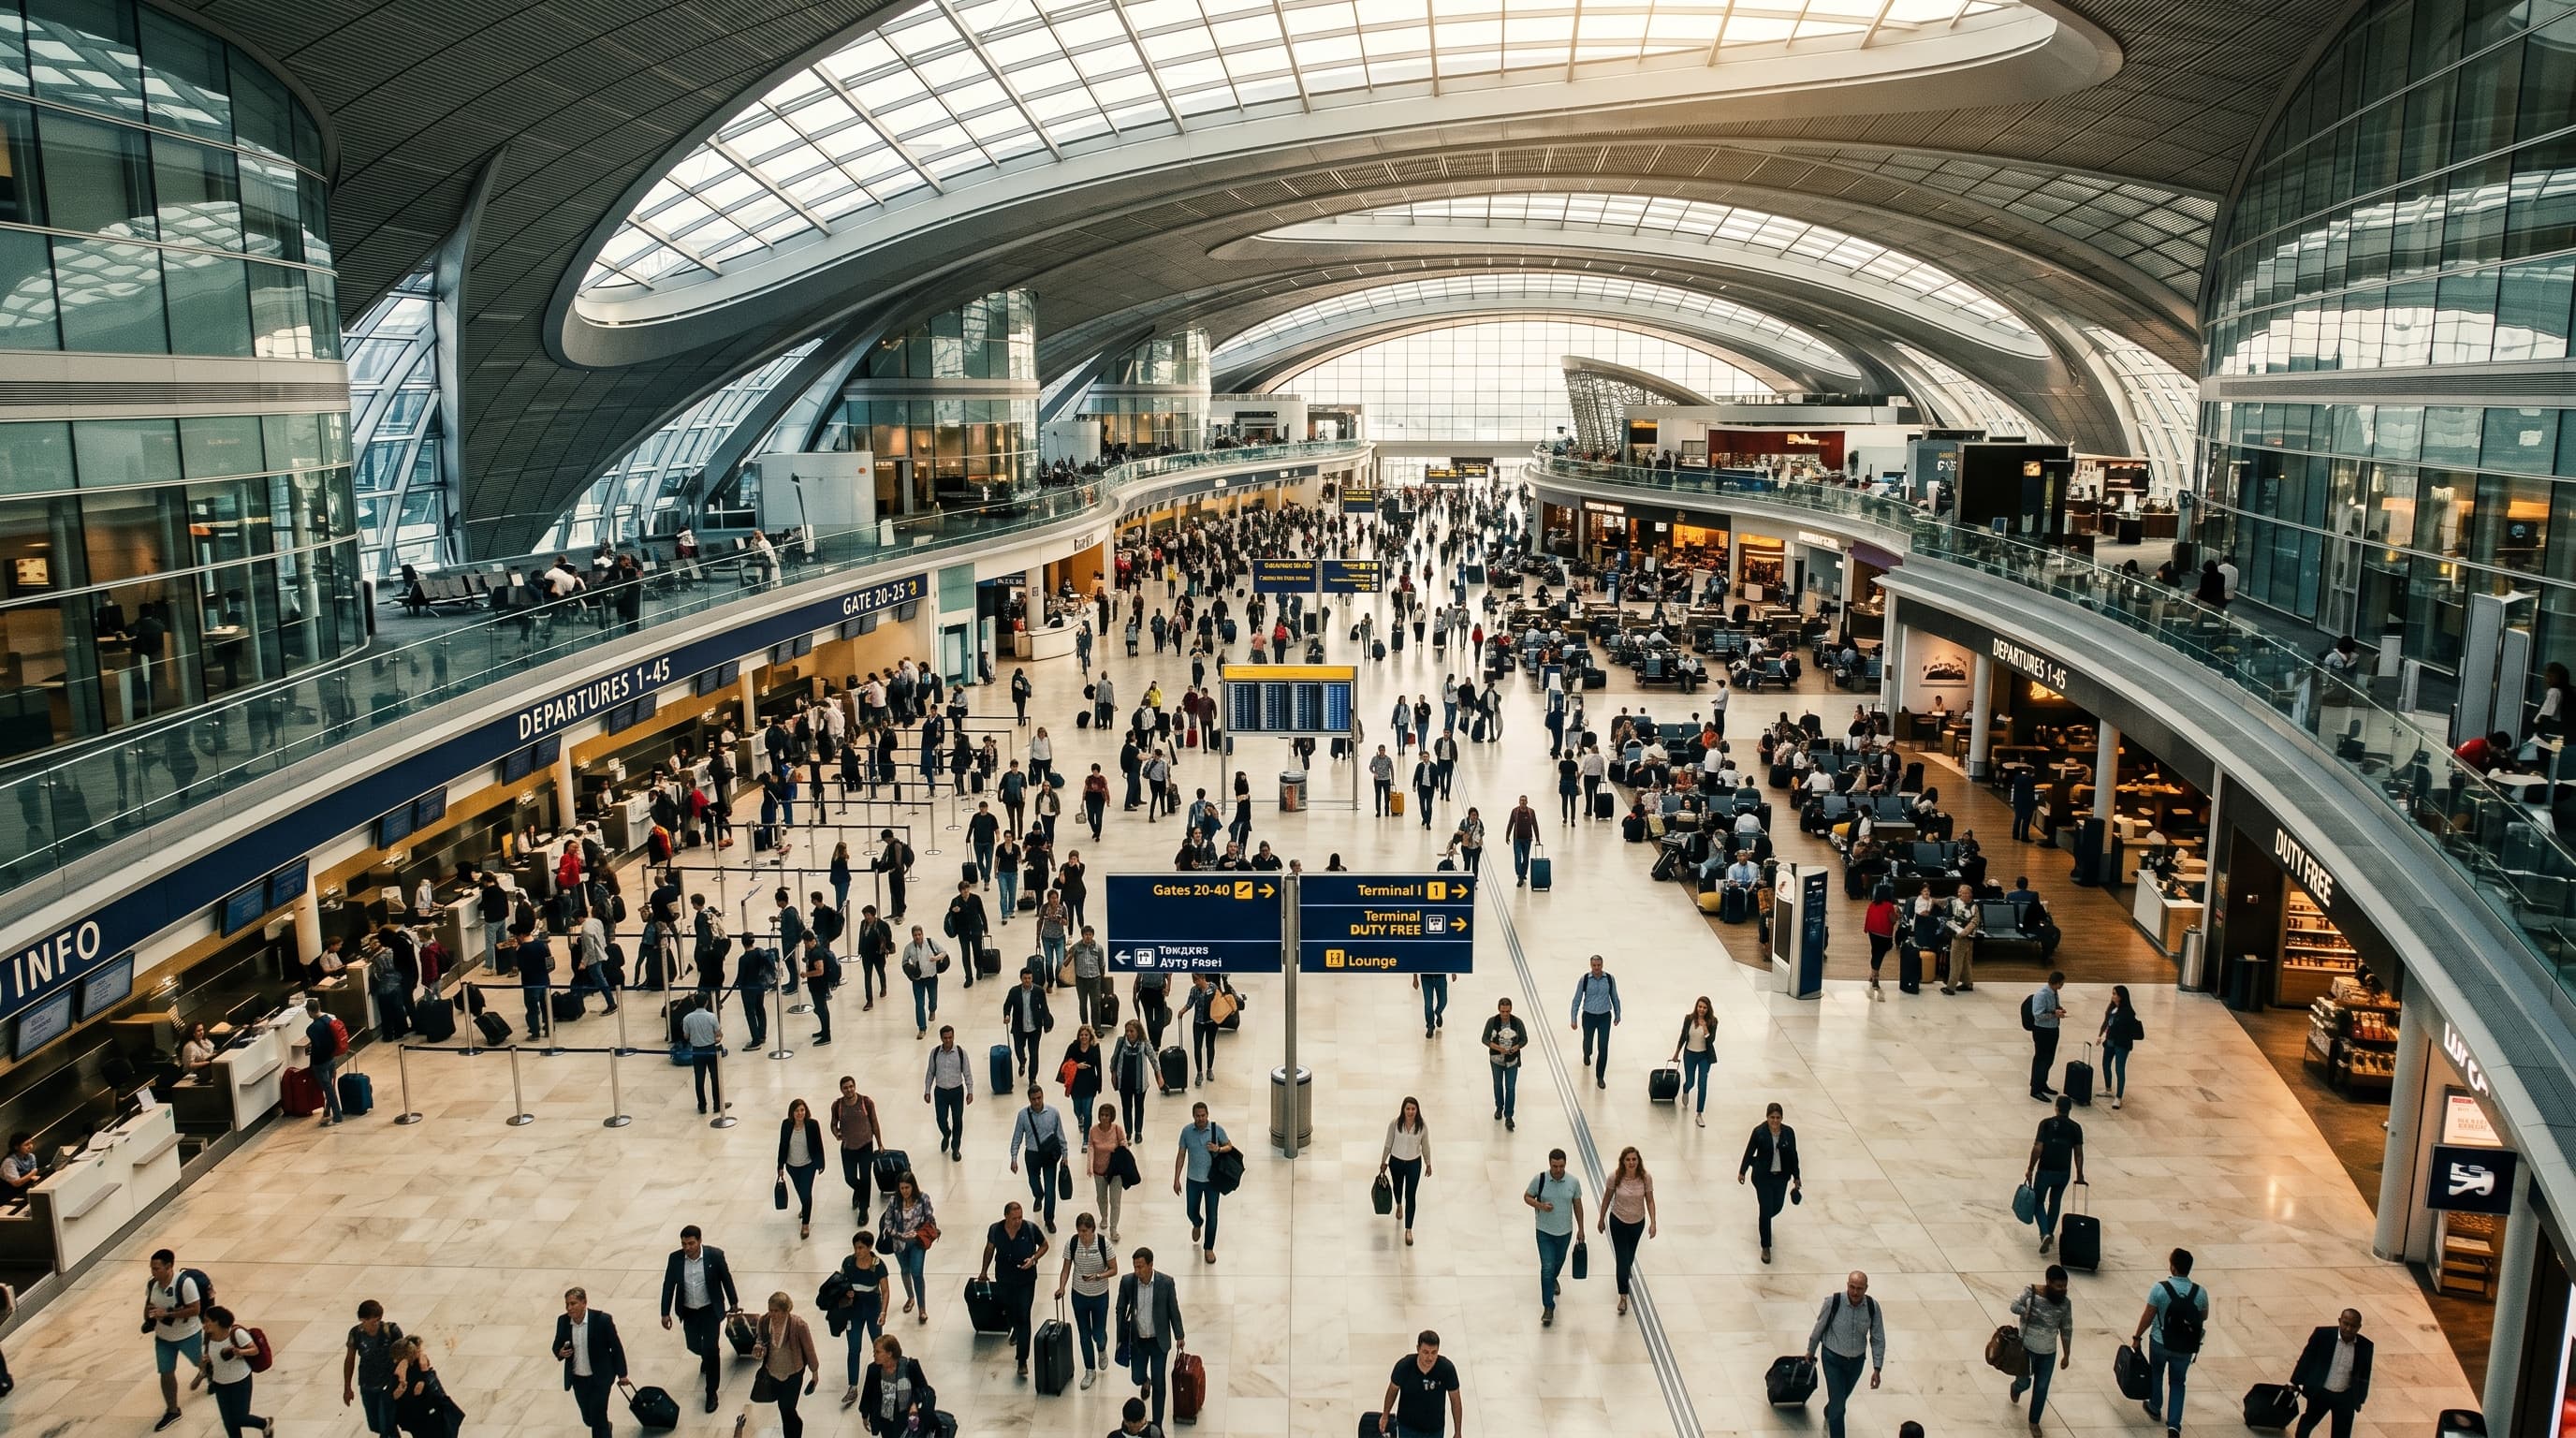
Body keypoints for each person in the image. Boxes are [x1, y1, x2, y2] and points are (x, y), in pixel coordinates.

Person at [659, 1225, 741, 1413]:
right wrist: (665, 1312)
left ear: (699, 1241)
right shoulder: (675, 1259)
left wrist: (733, 1302)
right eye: (684, 1244)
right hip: (689, 1311)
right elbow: (668, 1286)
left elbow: (726, 1280)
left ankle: (711, 1392)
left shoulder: (714, 1256)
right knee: (694, 1345)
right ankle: (704, 1354)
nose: (687, 1248)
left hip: (709, 1311)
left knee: (712, 1350)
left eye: (691, 1243)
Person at [2130, 1247, 2207, 1437]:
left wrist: (2137, 1336)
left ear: (2172, 1267)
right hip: (2185, 1346)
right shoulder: (2200, 1292)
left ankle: (2155, 1407)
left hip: (2160, 1341)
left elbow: (2148, 1316)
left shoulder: (2160, 1288)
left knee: (2157, 1372)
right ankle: (2173, 1425)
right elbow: (2203, 1316)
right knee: (2178, 1382)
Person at [1803, 1270, 1885, 1438]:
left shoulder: (1872, 1307)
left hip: (1856, 1362)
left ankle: (1831, 1407)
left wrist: (1877, 1368)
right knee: (1839, 1408)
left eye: (1859, 1289)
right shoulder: (1833, 1302)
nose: (1855, 1292)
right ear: (1847, 1285)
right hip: (1833, 1359)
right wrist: (1810, 1351)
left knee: (1840, 1398)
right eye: (1852, 1287)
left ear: (1866, 1289)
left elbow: (1878, 1338)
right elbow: (1818, 1328)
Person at [978, 1201, 1052, 1380]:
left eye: (1020, 1217)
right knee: (1010, 1311)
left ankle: (1022, 1360)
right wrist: (983, 1271)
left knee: (1024, 1315)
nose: (1018, 1221)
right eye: (1014, 1218)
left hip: (1026, 1280)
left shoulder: (1030, 1228)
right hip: (1004, 1278)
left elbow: (1044, 1246)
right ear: (1006, 1217)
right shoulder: (995, 1230)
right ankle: (1015, 1330)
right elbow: (989, 1249)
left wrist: (1034, 1259)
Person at [1117, 1245, 1185, 1425]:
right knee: (1136, 1376)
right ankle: (1145, 1381)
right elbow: (1120, 1309)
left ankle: (1157, 1425)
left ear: (1151, 1265)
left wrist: (1180, 1335)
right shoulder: (1127, 1282)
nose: (1137, 1270)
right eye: (1135, 1267)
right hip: (1138, 1341)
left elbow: (1173, 1310)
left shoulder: (1166, 1283)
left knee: (1160, 1384)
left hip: (1158, 1342)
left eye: (1140, 1266)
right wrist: (1120, 1336)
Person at [551, 1286, 629, 1438]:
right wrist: (560, 1352)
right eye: (567, 1304)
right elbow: (556, 1345)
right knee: (589, 1418)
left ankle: (603, 1429)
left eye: (573, 1304)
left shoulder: (602, 1320)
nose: (569, 1308)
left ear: (584, 1302)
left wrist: (622, 1374)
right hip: (578, 1379)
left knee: (598, 1418)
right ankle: (606, 1426)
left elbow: (616, 1347)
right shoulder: (563, 1321)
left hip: (600, 1379)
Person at [1053, 1211, 1119, 1390]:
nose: (1082, 1235)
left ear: (1092, 1230)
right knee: (1084, 1335)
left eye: (1085, 1231)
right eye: (1079, 1231)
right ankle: (1090, 1370)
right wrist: (1062, 1287)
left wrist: (1099, 1276)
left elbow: (1114, 1269)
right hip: (1079, 1295)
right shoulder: (1072, 1244)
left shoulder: (1104, 1244)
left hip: (1100, 1296)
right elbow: (1066, 1268)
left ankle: (1102, 1347)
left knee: (1097, 1333)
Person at [146, 1249, 209, 1431]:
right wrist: (149, 1318)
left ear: (169, 1267)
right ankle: (172, 1410)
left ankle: (212, 1377)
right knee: (166, 1372)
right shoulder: (153, 1284)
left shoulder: (185, 1283)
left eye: (157, 1268)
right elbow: (149, 1304)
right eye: (152, 1268)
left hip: (189, 1335)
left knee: (201, 1362)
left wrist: (168, 1313)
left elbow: (195, 1309)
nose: (153, 1272)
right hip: (164, 1337)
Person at [2008, 1265, 2073, 1436]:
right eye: (2059, 1286)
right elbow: (2014, 1305)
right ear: (2048, 1282)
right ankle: (2016, 1388)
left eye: (2065, 1286)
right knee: (2024, 1382)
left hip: (2048, 1353)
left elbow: (2066, 1328)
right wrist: (2025, 1311)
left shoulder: (2065, 1304)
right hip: (2027, 1350)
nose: (2062, 1289)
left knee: (2042, 1388)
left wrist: (2066, 1354)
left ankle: (2034, 1421)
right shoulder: (2031, 1292)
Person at [1523, 1147, 1586, 1327]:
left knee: (1558, 1262)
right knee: (1547, 1268)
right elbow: (1527, 1197)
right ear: (1549, 1164)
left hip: (1565, 1232)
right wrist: (1540, 1205)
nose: (1558, 1170)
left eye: (1561, 1166)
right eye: (1555, 1166)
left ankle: (1553, 1279)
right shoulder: (1540, 1179)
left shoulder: (1573, 1182)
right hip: (1544, 1232)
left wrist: (1581, 1229)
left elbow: (1578, 1206)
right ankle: (1548, 1307)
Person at [745, 1291, 820, 1438]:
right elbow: (761, 1340)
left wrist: (814, 1373)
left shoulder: (798, 1325)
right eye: (770, 1310)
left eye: (776, 1311)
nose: (772, 1314)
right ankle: (794, 1428)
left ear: (786, 1310)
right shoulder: (765, 1321)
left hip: (793, 1373)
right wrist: (759, 1348)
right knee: (785, 1410)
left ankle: (794, 1432)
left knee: (786, 1407)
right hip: (773, 1372)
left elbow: (809, 1350)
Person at [829, 1232, 890, 1408]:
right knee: (854, 1348)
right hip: (854, 1310)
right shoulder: (848, 1263)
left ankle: (884, 1380)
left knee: (878, 1346)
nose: (857, 1251)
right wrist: (845, 1292)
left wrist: (883, 1312)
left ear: (869, 1248)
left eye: (861, 1248)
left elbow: (885, 1290)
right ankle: (853, 1386)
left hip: (872, 1309)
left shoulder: (878, 1265)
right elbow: (840, 1283)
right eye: (856, 1248)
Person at [2291, 1309, 2372, 1438]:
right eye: (2346, 1323)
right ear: (2339, 1321)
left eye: (2353, 1326)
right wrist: (2295, 1381)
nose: (2348, 1329)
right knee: (2307, 1423)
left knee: (2342, 1433)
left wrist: (2360, 1398)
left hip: (2345, 1397)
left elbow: (2365, 1375)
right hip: (2321, 1391)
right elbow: (2307, 1358)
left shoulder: (2366, 1346)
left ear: (2359, 1327)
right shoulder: (2322, 1335)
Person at [1597, 1145, 1658, 1317]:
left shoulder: (1646, 1178)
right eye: (1628, 1160)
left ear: (1638, 1161)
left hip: (1637, 1222)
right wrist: (1601, 1219)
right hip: (1618, 1221)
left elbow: (1650, 1201)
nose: (1631, 1163)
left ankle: (1626, 1269)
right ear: (1623, 1162)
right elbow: (1607, 1198)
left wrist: (1653, 1222)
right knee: (1622, 1259)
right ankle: (1623, 1296)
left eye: (1634, 1159)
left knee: (1630, 1256)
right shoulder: (1614, 1177)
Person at [190, 1306, 269, 1438]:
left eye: (208, 1321)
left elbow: (255, 1350)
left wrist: (241, 1352)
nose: (205, 1325)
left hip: (240, 1380)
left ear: (218, 1322)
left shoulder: (236, 1333)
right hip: (220, 1383)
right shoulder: (207, 1338)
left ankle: (264, 1423)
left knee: (240, 1417)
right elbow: (207, 1358)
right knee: (229, 1422)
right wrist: (204, 1362)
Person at [1737, 1102, 1801, 1262]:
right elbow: (1749, 1151)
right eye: (1772, 1118)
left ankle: (1764, 1220)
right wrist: (1742, 1171)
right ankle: (1766, 1246)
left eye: (1778, 1118)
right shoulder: (1759, 1132)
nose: (1775, 1121)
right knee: (1766, 1210)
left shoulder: (1788, 1133)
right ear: (1767, 1118)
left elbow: (1793, 1155)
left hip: (1781, 1177)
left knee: (1777, 1207)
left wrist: (1796, 1177)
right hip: (1762, 1177)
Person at [1173, 1102, 1233, 1264]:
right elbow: (1181, 1155)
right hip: (1193, 1180)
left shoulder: (1216, 1130)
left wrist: (1218, 1149)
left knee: (1212, 1215)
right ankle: (1197, 1222)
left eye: (1203, 1115)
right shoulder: (1186, 1132)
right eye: (1198, 1116)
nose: (1201, 1119)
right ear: (1193, 1116)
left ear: (1207, 1114)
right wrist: (1176, 1178)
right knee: (1191, 1211)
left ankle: (1208, 1248)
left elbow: (1229, 1146)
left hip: (1212, 1181)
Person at [2026, 1094, 2086, 1254]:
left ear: (2056, 1107)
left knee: (2038, 1202)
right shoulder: (2076, 1128)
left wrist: (2030, 1168)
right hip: (2063, 1172)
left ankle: (2044, 1232)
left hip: (2045, 1169)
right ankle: (2050, 1233)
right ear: (2070, 1109)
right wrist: (2080, 1174)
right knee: (2055, 1201)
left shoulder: (2046, 1124)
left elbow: (2038, 1147)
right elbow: (2078, 1153)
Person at [1008, 1084, 1072, 1232]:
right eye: (1033, 1099)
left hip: (1050, 1155)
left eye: (1039, 1098)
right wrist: (1013, 1158)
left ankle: (1049, 1219)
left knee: (1051, 1189)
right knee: (1034, 1183)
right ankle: (1038, 1195)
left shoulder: (1053, 1113)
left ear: (1043, 1096)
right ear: (1029, 1099)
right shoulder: (1023, 1115)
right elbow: (1017, 1137)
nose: (1036, 1102)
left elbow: (1060, 1135)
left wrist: (1065, 1155)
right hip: (1032, 1154)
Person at [1378, 1329, 1462, 1438]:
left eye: (1434, 1352)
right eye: (1426, 1352)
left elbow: (1455, 1401)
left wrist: (1458, 1432)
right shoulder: (1404, 1366)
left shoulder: (1447, 1370)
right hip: (1407, 1427)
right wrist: (1385, 1415)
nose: (1430, 1358)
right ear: (1418, 1349)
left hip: (1435, 1430)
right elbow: (1392, 1390)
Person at [878, 1173, 937, 1325]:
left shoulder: (923, 1198)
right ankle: (910, 1296)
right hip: (899, 1243)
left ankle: (922, 1308)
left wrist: (927, 1231)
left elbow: (930, 1217)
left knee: (917, 1273)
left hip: (917, 1242)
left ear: (913, 1186)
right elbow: (888, 1222)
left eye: (907, 1187)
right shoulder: (894, 1202)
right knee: (905, 1270)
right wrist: (897, 1234)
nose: (905, 1191)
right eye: (902, 1188)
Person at [342, 1299, 405, 1438]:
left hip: (388, 1386)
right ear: (362, 1320)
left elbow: (404, 1356)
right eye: (372, 1322)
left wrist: (402, 1379)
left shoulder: (391, 1331)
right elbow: (350, 1359)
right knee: (376, 1424)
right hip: (367, 1385)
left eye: (378, 1320)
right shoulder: (356, 1334)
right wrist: (347, 1387)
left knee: (386, 1425)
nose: (376, 1325)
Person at [856, 1334, 933, 1438]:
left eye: (878, 1352)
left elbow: (924, 1390)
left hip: (905, 1418)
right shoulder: (873, 1370)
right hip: (885, 1420)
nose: (874, 1355)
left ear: (889, 1353)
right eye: (874, 1351)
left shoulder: (910, 1366)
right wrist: (865, 1415)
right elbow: (867, 1394)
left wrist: (914, 1403)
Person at [1379, 1096, 1432, 1246]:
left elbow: (1426, 1146)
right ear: (1403, 1109)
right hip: (1396, 1161)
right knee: (1397, 1188)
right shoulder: (1395, 1124)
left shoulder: (1422, 1127)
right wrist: (1383, 1161)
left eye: (1413, 1109)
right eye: (1408, 1108)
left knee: (1411, 1195)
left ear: (1417, 1110)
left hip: (1413, 1163)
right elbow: (1388, 1143)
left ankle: (1408, 1229)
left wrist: (1428, 1163)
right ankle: (1398, 1204)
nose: (1410, 1112)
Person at [830, 1076, 883, 1216]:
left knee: (865, 1177)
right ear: (841, 1090)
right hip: (848, 1147)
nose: (849, 1090)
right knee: (849, 1178)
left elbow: (874, 1123)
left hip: (865, 1145)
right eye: (845, 1087)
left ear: (855, 1086)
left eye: (851, 1086)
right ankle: (859, 1190)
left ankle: (864, 1209)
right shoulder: (838, 1105)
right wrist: (836, 1133)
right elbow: (833, 1123)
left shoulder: (866, 1102)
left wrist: (880, 1144)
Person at [1568, 954, 1620, 1089]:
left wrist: (1617, 1014)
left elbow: (1615, 996)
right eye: (1594, 965)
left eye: (1599, 965)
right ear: (1591, 966)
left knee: (1603, 1047)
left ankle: (1600, 1076)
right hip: (1589, 1016)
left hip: (1604, 1017)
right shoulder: (1584, 979)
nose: (1596, 968)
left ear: (1602, 965)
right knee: (1588, 1041)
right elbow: (1576, 1000)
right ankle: (1587, 1054)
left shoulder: (1609, 979)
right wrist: (1573, 1018)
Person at [923, 1025, 973, 1160]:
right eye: (945, 1038)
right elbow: (930, 1073)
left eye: (950, 1037)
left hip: (957, 1092)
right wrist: (927, 1090)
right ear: (941, 1038)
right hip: (940, 1092)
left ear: (953, 1037)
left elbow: (967, 1073)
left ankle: (956, 1147)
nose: (948, 1040)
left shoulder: (961, 1053)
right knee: (940, 1119)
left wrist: (970, 1091)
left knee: (957, 1120)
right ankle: (946, 1133)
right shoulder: (935, 1053)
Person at [779, 1098, 825, 1239]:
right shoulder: (786, 1125)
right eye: (797, 1111)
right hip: (792, 1166)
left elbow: (818, 1144)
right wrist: (780, 1166)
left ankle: (805, 1224)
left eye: (802, 1110)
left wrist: (821, 1163)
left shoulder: (812, 1125)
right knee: (800, 1191)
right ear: (792, 1113)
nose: (800, 1113)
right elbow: (783, 1145)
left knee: (806, 1193)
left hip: (808, 1165)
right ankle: (805, 1207)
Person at [1670, 996, 1718, 1123]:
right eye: (1700, 1006)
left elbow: (1711, 1040)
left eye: (1704, 1008)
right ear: (1696, 1007)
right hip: (1690, 1054)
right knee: (1690, 1082)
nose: (1701, 1010)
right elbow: (1683, 1036)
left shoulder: (1713, 1022)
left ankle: (1699, 1113)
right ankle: (1686, 1090)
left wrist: (1705, 1027)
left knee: (1702, 1084)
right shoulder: (1689, 1019)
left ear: (1708, 1009)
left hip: (1704, 1056)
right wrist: (1677, 1053)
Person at [1481, 997, 1528, 1129]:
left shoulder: (1517, 1022)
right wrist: (1497, 1048)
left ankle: (1509, 1115)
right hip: (1496, 1060)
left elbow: (1524, 1039)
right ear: (1499, 1010)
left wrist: (1516, 1047)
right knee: (1497, 1085)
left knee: (1511, 1088)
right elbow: (1484, 1038)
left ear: (1511, 1010)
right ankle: (1499, 1107)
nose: (1505, 1014)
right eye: (1502, 1011)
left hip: (1512, 1061)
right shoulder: (1492, 1022)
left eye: (1507, 1011)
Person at [2099, 984, 2144, 1108]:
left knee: (2119, 1068)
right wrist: (2101, 1035)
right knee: (2105, 1064)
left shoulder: (2128, 1012)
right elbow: (2107, 1023)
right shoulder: (2112, 1009)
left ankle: (2118, 1096)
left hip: (2121, 1044)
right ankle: (2108, 1089)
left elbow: (2124, 1028)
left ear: (2121, 996)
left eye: (2115, 994)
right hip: (2110, 1042)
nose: (2112, 996)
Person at [901, 924, 947, 1037]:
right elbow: (904, 962)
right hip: (918, 980)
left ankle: (932, 1010)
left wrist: (936, 958)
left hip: (931, 977)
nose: (917, 937)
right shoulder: (909, 948)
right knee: (919, 1003)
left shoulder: (930, 942)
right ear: (912, 936)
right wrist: (910, 969)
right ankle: (922, 1028)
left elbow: (943, 952)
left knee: (933, 999)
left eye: (919, 934)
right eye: (915, 935)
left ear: (922, 934)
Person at [2027, 970, 2067, 1102]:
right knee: (2041, 1060)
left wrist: (2059, 1009)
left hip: (2053, 1029)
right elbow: (2037, 1015)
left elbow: (2053, 1008)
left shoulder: (2054, 993)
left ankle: (2042, 1083)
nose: (2062, 986)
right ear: (2056, 983)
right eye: (2061, 984)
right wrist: (2054, 1013)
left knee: (2049, 1059)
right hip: (2042, 1031)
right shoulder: (2041, 995)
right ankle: (2035, 1089)